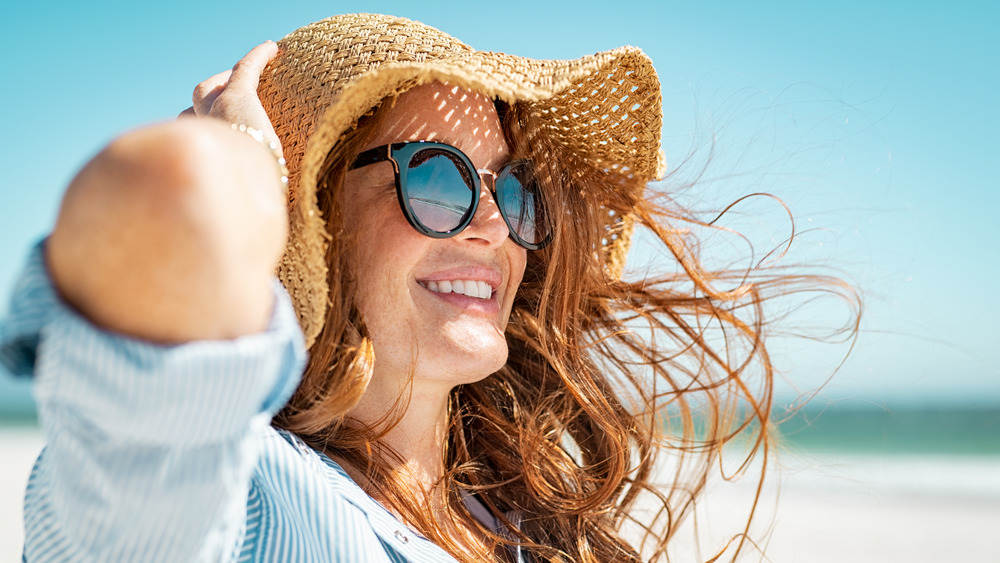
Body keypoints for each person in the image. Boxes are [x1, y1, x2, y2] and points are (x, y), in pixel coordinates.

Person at [1, 13, 855, 563]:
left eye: (511, 189)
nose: (492, 224)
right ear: (315, 216)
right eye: (437, 180)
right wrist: (239, 172)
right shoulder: (237, 497)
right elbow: (156, 197)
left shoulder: (518, 526)